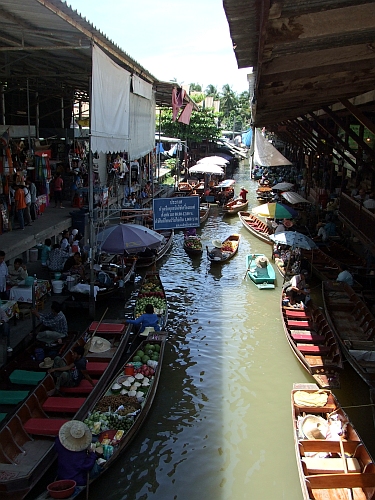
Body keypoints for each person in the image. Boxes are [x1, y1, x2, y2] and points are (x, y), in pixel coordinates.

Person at [54, 420, 96, 486]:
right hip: (76, 480)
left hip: (61, 475)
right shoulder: (79, 454)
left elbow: (56, 448)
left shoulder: (59, 441)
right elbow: (87, 466)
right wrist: (92, 454)